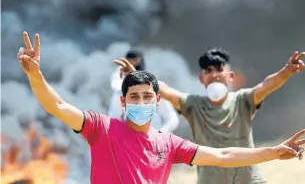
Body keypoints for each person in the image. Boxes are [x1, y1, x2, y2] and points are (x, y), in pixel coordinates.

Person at [18, 32, 305, 184]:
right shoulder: (101, 128)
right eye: (134, 97)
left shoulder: (168, 144)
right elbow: (56, 104)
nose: (141, 102)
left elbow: (223, 154)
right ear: (123, 101)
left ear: (157, 102)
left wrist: (275, 151)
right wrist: (35, 75)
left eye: (147, 96)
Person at [144, 47, 304, 184]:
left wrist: (286, 71)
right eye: (208, 71)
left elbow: (267, 85)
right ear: (201, 78)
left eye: (219, 69)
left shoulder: (243, 100)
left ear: (231, 76)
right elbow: (165, 90)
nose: (214, 75)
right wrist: (139, 77)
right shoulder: (192, 104)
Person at [109, 50, 180, 133]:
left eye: (135, 61)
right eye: (134, 96)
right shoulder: (120, 91)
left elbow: (172, 119)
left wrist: (160, 134)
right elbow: (114, 118)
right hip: (132, 141)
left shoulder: (156, 87)